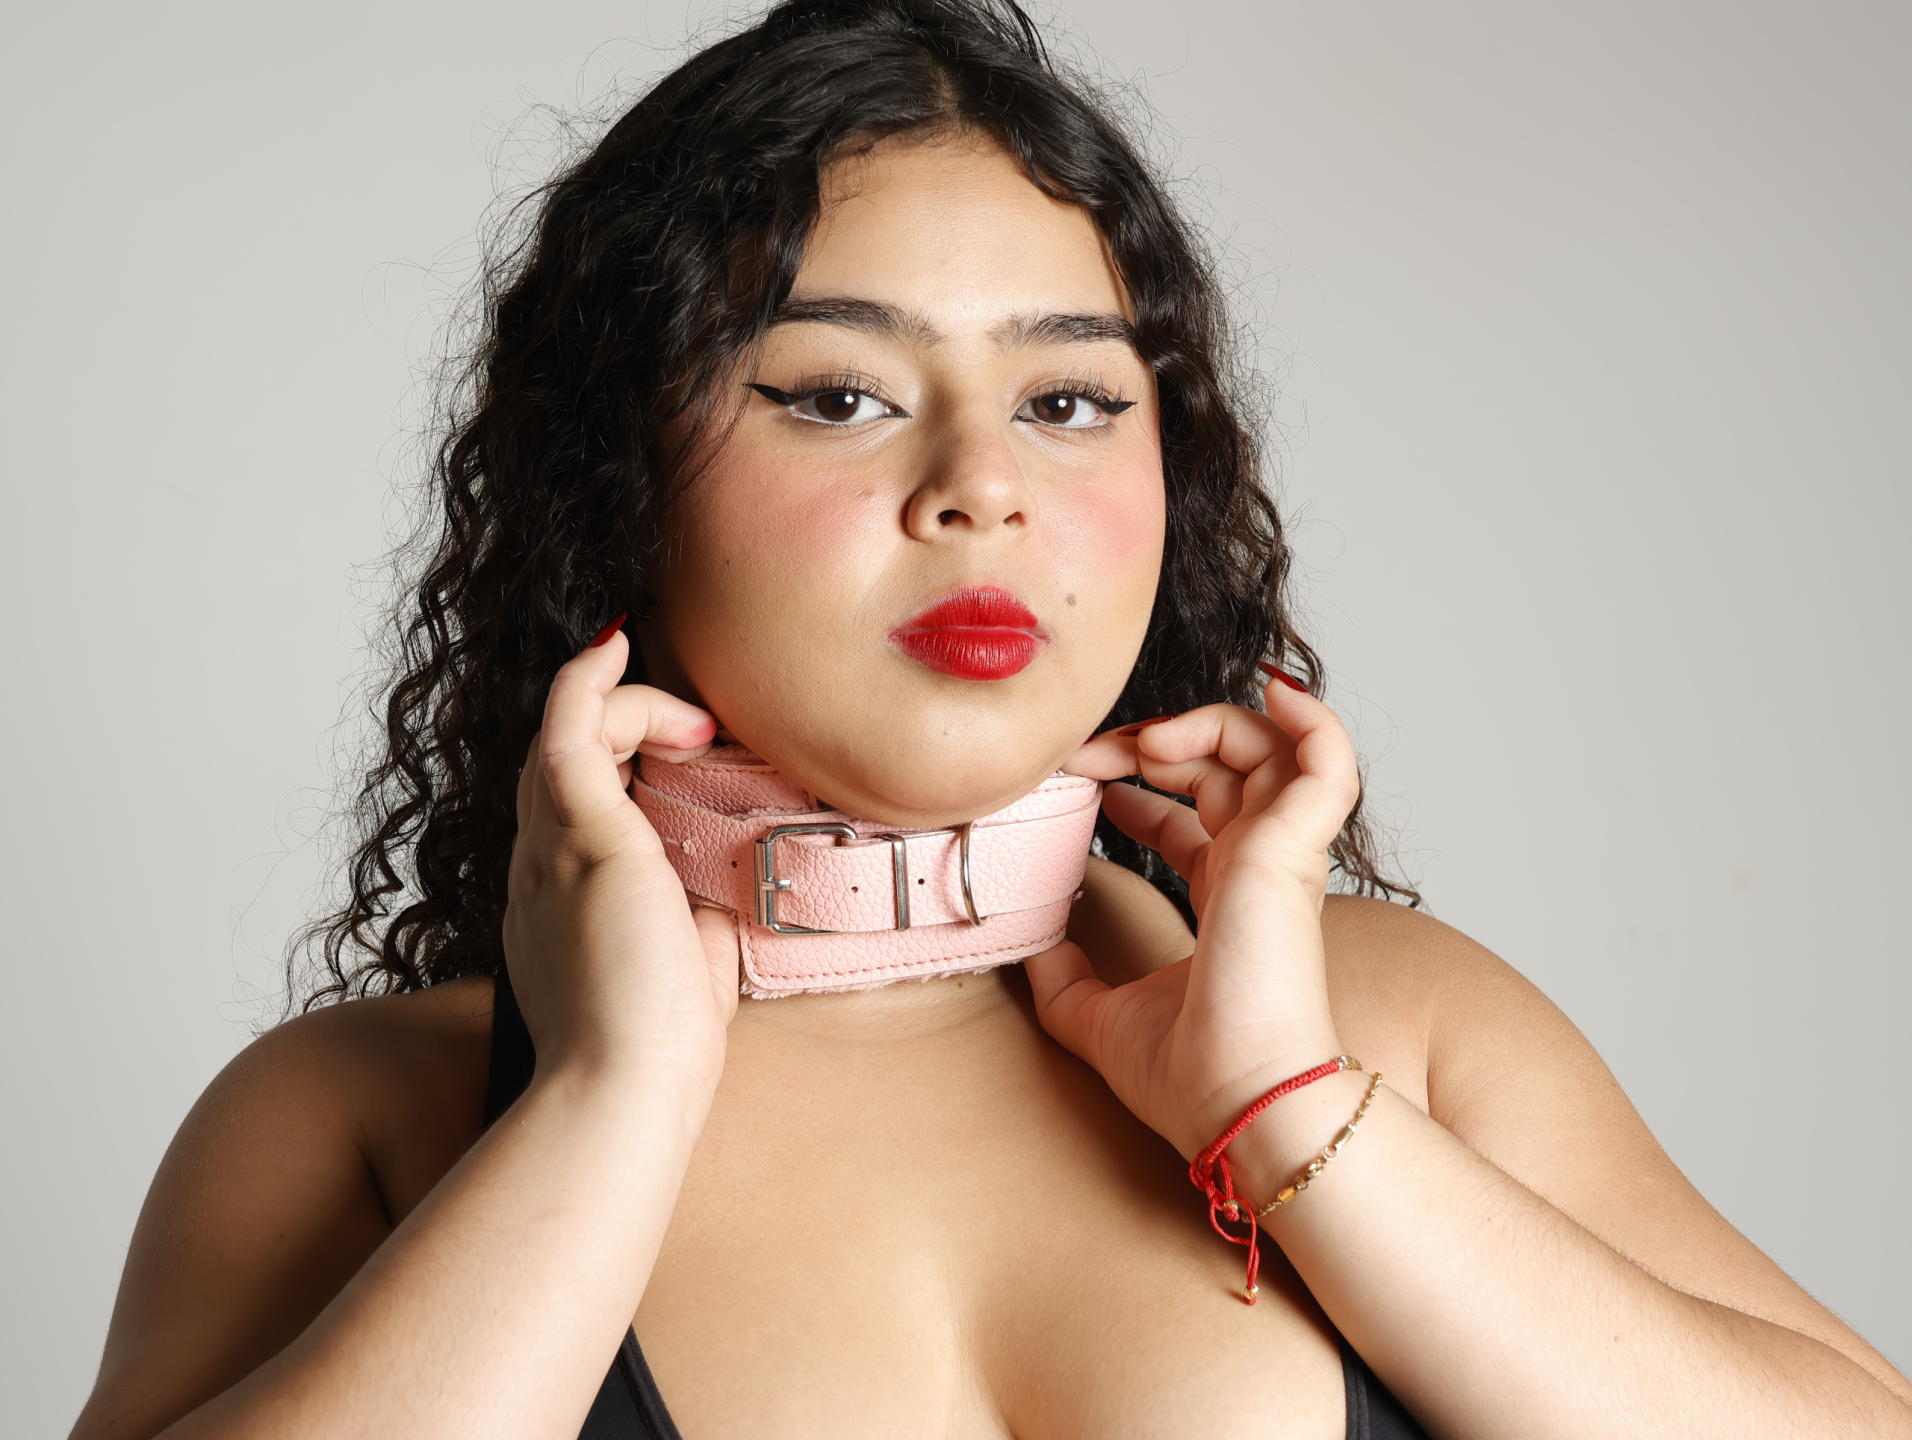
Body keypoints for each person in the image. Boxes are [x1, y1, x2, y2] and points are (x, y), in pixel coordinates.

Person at [70, 1, 1912, 1437]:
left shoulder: (1402, 1032)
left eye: (1068, 402)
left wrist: (1282, 1109)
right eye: (837, 394)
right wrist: (603, 1112)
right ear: (617, 479)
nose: (981, 487)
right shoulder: (363, 1119)